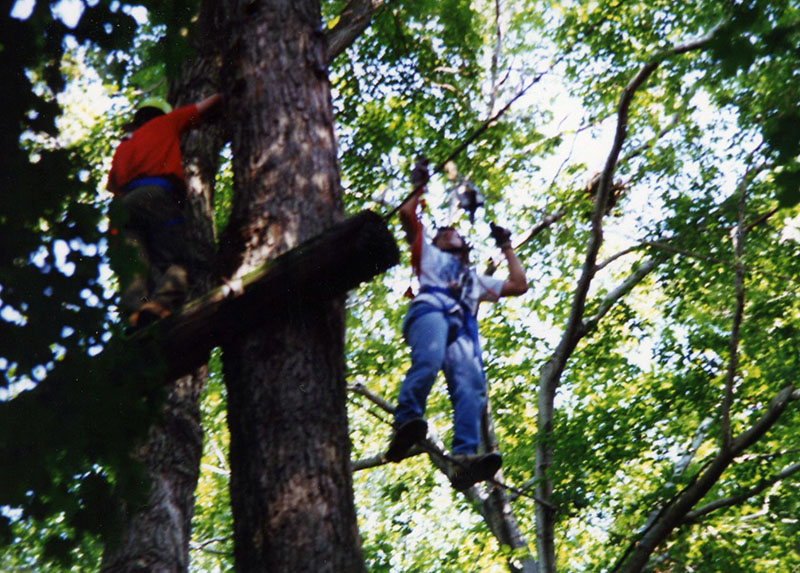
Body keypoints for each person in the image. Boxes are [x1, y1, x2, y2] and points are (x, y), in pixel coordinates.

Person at [384, 161, 529, 491]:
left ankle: (464, 458)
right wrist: (417, 185)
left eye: (453, 232)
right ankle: (405, 421)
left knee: (471, 388)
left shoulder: (475, 280)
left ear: (464, 245)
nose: (446, 232)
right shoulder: (429, 257)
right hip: (432, 312)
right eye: (440, 234)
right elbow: (407, 216)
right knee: (429, 362)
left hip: (463, 331)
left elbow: (519, 285)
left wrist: (507, 246)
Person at [106, 93, 221, 328]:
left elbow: (113, 185)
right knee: (179, 261)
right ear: (161, 114)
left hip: (123, 208)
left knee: (135, 267)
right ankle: (159, 306)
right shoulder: (165, 123)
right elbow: (207, 106)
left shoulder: (124, 144)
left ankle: (135, 316)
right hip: (155, 196)